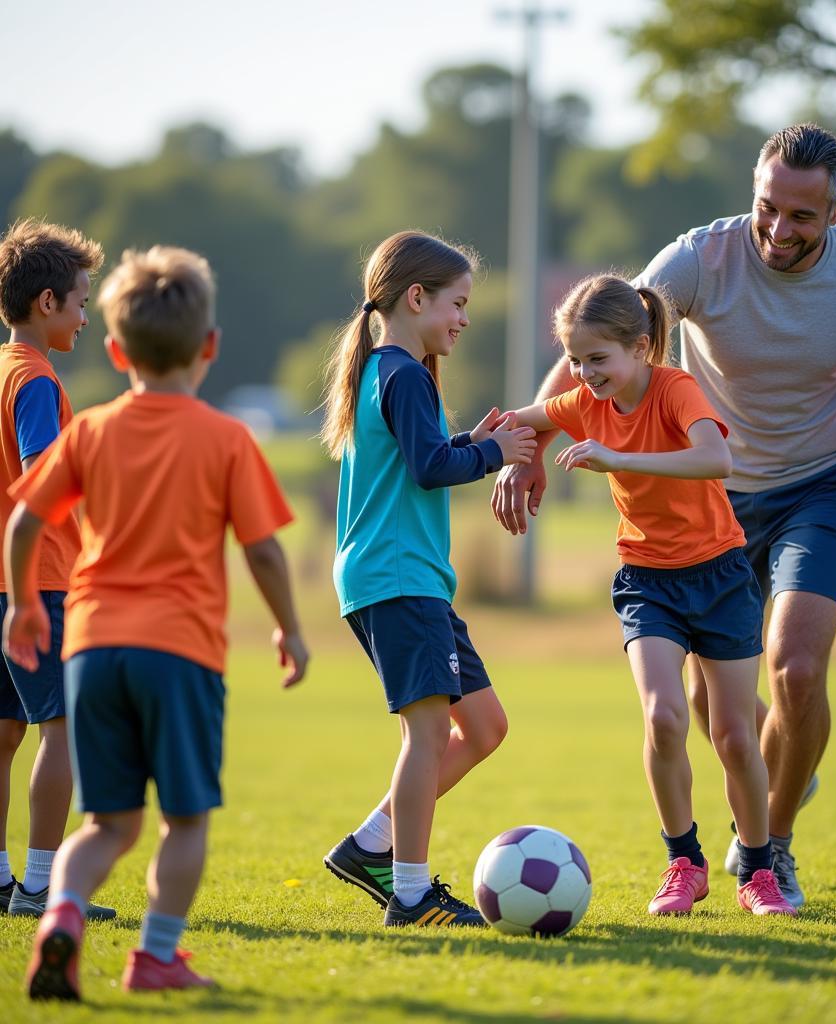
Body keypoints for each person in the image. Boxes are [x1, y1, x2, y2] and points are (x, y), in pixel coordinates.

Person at [491, 124, 836, 908]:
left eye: (802, 217)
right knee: (714, 702)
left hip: (823, 482)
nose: (777, 230)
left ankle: (769, 850)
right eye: (767, 206)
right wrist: (528, 446)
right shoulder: (698, 258)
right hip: (713, 500)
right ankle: (780, 783)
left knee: (798, 666)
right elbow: (593, 343)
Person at [4, 245, 308, 1000]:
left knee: (107, 823)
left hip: (92, 645)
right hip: (179, 651)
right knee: (184, 819)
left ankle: (61, 914)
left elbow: (23, 523)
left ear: (113, 350)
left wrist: (17, 605)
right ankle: (156, 957)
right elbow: (265, 553)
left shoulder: (91, 430)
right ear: (208, 348)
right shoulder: (228, 437)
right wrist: (290, 630)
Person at [508, 273, 796, 916]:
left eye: (597, 358)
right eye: (575, 360)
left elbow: (715, 459)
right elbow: (519, 421)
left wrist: (618, 460)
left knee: (733, 737)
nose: (583, 373)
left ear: (640, 348)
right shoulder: (585, 400)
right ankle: (684, 864)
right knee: (664, 717)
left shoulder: (676, 389)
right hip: (646, 582)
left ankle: (758, 869)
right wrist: (504, 457)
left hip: (720, 576)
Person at [320, 231, 536, 928]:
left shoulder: (389, 371)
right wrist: (492, 452)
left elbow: (428, 454)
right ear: (416, 298)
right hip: (397, 578)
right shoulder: (402, 371)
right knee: (430, 735)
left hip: (411, 581)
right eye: (457, 304)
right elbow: (428, 468)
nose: (464, 319)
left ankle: (370, 844)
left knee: (486, 725)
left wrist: (474, 441)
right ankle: (409, 894)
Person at [0, 219, 113, 921]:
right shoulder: (36, 379)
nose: (84, 316)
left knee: (5, 733)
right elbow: (46, 478)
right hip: (37, 581)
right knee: (62, 730)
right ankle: (40, 886)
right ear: (47, 303)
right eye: (79, 301)